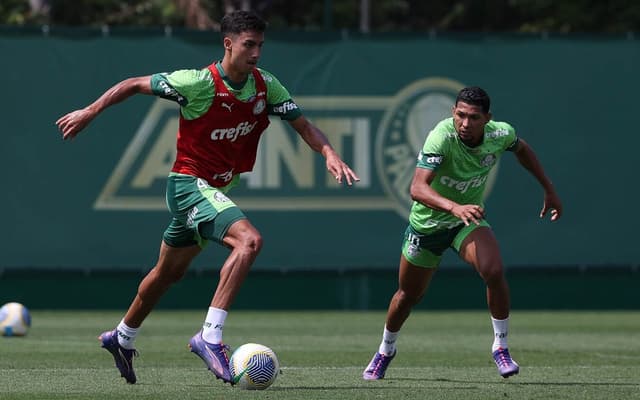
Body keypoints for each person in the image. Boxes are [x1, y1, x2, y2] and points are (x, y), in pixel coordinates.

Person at [56, 10, 359, 385]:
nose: (257, 53)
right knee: (249, 242)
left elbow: (303, 126)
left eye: (260, 45)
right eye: (249, 45)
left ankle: (121, 336)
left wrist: (328, 153)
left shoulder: (266, 86)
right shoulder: (198, 83)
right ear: (228, 44)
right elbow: (134, 84)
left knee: (167, 273)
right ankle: (210, 336)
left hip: (214, 190)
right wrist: (90, 110)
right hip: (188, 185)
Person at [362, 86, 562, 380]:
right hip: (428, 226)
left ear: (487, 119)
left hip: (464, 223)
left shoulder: (500, 134)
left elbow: (522, 149)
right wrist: (454, 207)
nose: (465, 124)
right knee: (408, 295)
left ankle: (500, 347)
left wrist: (548, 188)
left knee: (493, 270)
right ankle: (385, 350)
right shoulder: (441, 137)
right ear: (453, 113)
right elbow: (416, 188)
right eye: (460, 115)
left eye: (473, 118)